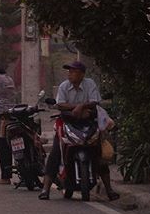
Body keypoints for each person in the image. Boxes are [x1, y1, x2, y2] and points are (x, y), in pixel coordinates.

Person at [38, 61, 119, 201]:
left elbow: (94, 102)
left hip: (88, 123)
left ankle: (109, 189)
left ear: (82, 74)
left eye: (73, 71)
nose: (70, 74)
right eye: (69, 71)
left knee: (99, 153)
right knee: (56, 153)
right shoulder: (64, 86)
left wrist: (80, 107)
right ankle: (45, 189)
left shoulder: (90, 84)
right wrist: (77, 108)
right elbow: (60, 104)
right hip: (67, 123)